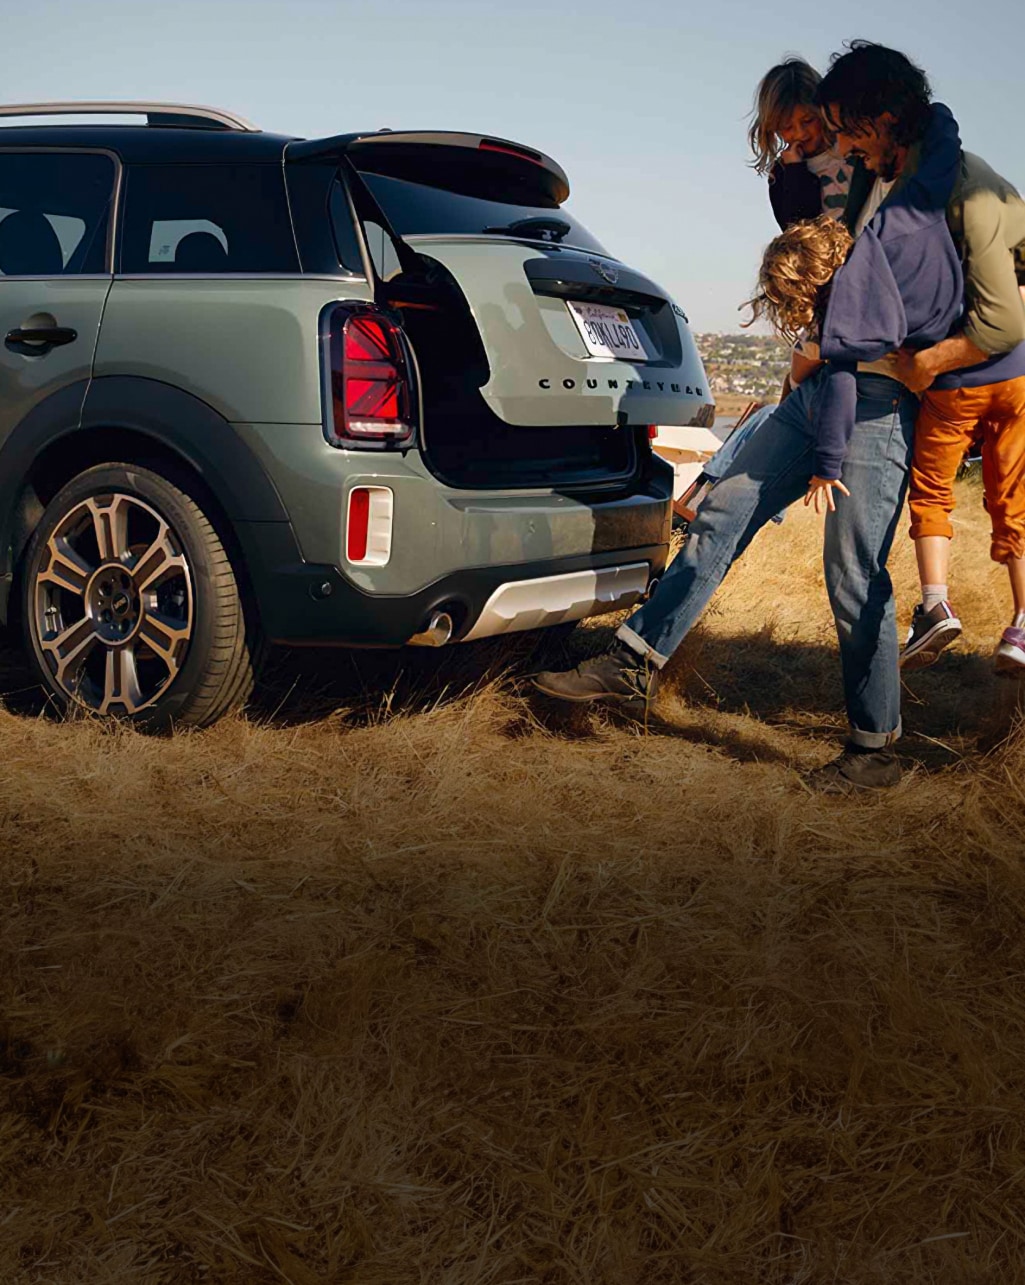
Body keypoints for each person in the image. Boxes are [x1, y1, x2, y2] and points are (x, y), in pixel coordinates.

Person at [534, 44, 967, 795]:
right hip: (816, 385)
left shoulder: (906, 185)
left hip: (879, 402)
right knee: (723, 507)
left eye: (830, 129)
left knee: (851, 572)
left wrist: (933, 116)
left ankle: (873, 750)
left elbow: (938, 147)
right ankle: (632, 665)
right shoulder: (822, 182)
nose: (825, 143)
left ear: (878, 124)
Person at [891, 164, 1025, 673]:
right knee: (1013, 497)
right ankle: (1022, 624)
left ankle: (935, 605)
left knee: (931, 493)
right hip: (1018, 375)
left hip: (954, 380)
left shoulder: (914, 215)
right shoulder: (991, 202)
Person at [749, 58, 859, 230]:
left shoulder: (855, 146)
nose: (800, 134)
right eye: (787, 127)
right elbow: (797, 231)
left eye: (808, 121)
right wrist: (796, 171)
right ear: (774, 129)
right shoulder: (782, 175)